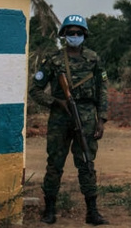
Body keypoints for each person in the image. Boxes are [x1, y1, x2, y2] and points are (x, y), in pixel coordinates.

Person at [29, 14, 110, 225]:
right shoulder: (54, 60)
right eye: (71, 33)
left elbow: (103, 91)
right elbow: (35, 90)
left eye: (79, 33)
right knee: (54, 164)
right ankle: (50, 210)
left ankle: (92, 212)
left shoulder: (94, 59)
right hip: (60, 118)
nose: (75, 36)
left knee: (86, 163)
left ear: (84, 35)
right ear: (64, 35)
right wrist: (56, 102)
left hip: (86, 116)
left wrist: (101, 119)